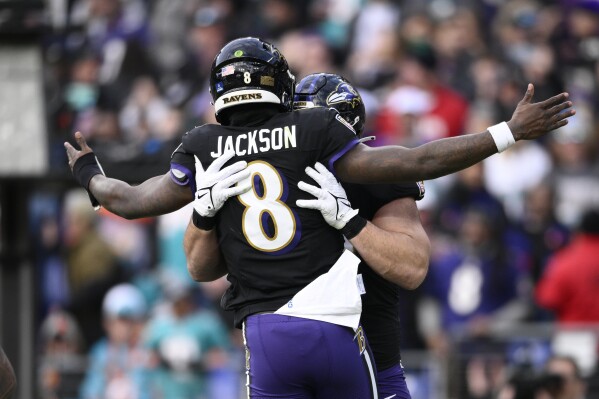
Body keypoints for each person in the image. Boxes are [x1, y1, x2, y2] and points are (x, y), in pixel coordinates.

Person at [65, 37, 574, 397]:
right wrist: (203, 214)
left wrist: (89, 174)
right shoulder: (313, 140)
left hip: (291, 336)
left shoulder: (209, 147)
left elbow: (413, 267)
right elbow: (200, 269)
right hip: (335, 335)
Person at [292, 73, 430, 398]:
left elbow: (413, 268)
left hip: (373, 357)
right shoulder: (269, 175)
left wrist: (350, 222)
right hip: (297, 366)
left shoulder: (379, 176)